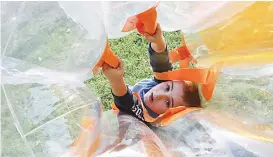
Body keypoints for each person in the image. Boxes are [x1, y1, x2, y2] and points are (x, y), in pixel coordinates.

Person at [102, 23, 201, 125]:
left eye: (168, 103)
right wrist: (158, 41)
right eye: (167, 88)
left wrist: (116, 80)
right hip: (132, 94)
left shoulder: (147, 117)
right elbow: (161, 64)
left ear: (170, 116)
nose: (160, 95)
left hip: (124, 117)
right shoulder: (160, 85)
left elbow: (125, 102)